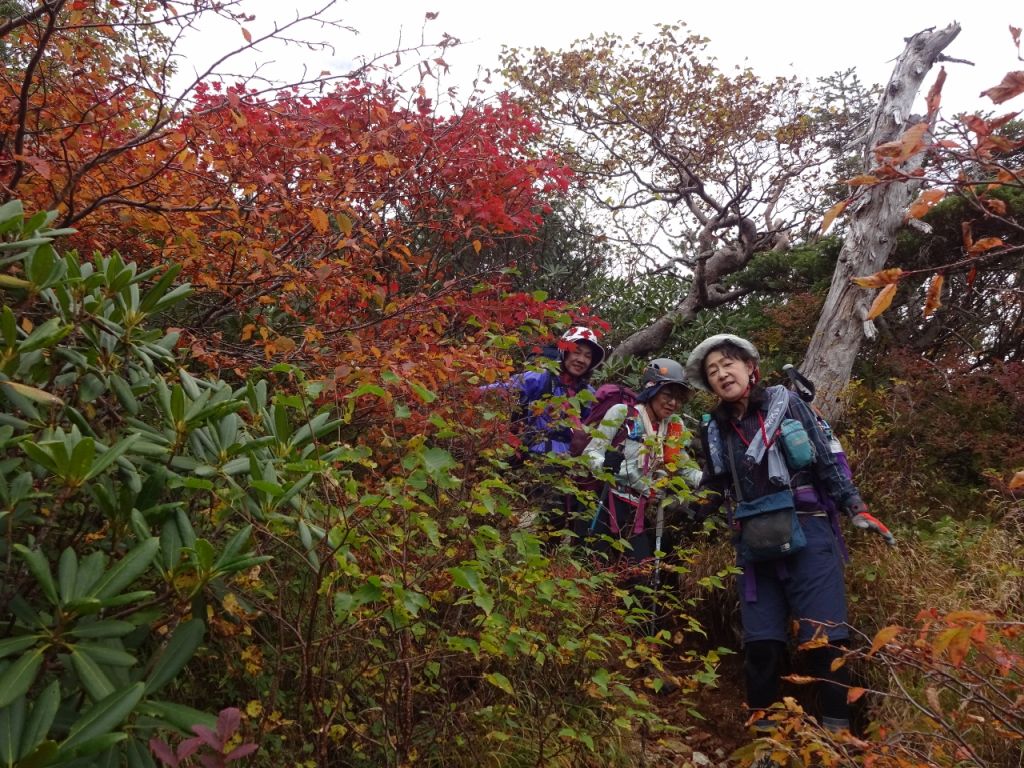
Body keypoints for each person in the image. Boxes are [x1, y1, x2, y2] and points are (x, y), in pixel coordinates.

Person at [684, 333, 894, 735]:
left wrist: (856, 507)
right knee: (760, 646)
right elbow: (716, 484)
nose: (722, 373)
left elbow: (826, 459)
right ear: (709, 385)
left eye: (729, 363)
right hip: (755, 541)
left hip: (810, 529)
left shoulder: (788, 403)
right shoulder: (714, 429)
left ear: (750, 367)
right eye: (712, 371)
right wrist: (689, 511)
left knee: (826, 642)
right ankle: (764, 742)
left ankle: (837, 737)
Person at [481, 326, 606, 532]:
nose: (581, 360)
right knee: (538, 515)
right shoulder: (540, 378)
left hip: (568, 466)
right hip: (534, 456)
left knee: (556, 525)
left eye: (587, 356)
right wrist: (463, 394)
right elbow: (499, 390)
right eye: (577, 352)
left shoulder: (588, 395)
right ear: (565, 352)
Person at [580, 358, 702, 563]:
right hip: (605, 502)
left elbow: (684, 468)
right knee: (591, 565)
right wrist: (605, 465)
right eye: (668, 395)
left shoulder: (673, 427)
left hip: (637, 511)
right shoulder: (623, 414)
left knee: (639, 576)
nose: (674, 403)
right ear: (651, 390)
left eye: (679, 398)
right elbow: (590, 453)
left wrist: (712, 479)